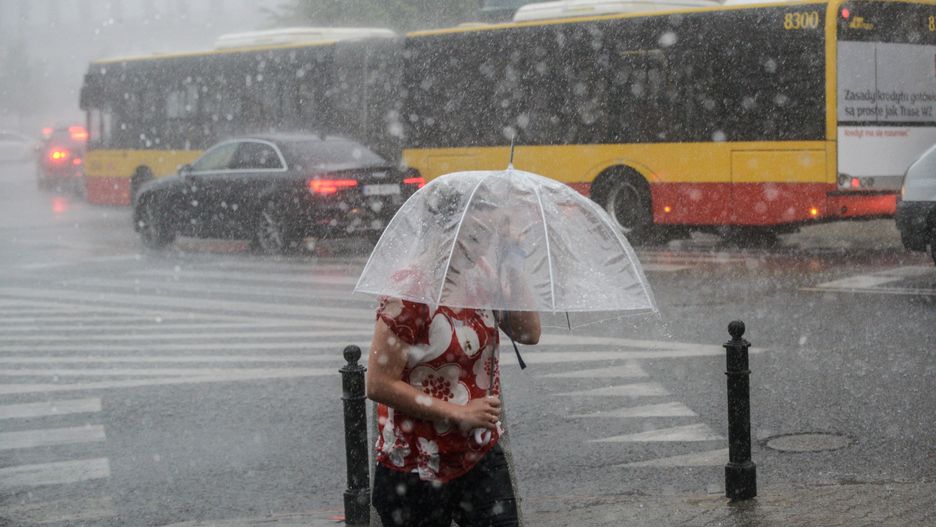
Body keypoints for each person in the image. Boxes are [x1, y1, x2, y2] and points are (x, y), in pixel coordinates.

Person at [366, 185, 541, 527]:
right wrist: (457, 412)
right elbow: (378, 383)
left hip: (479, 453)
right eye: (475, 235)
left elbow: (528, 333)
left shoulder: (483, 276)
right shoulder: (411, 288)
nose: (482, 247)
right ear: (448, 228)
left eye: (489, 235)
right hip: (416, 464)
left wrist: (513, 260)